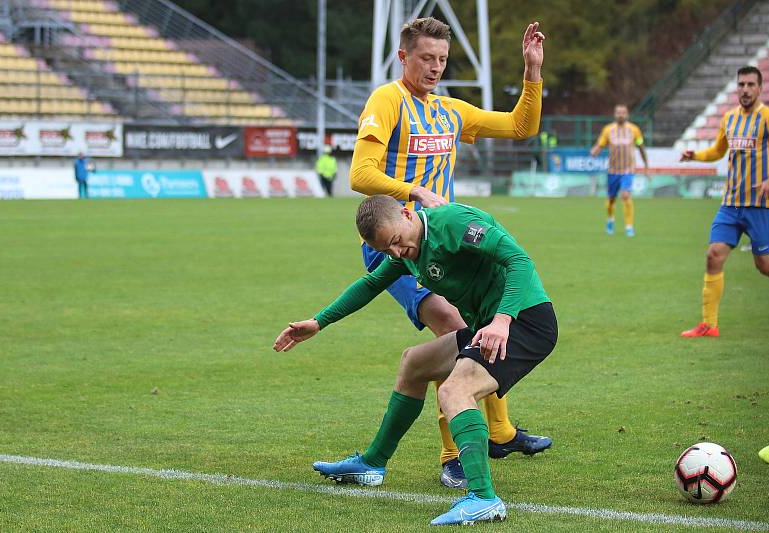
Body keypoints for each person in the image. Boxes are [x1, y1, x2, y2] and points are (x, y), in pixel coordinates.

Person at [348, 17, 551, 488]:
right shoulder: (387, 99)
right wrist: (414, 192)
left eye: (441, 59)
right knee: (458, 332)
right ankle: (455, 455)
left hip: (444, 247)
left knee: (475, 332)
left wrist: (532, 72)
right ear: (403, 57)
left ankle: (497, 431)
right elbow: (360, 174)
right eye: (426, 58)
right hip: (398, 248)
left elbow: (521, 125)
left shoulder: (448, 110)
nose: (435, 67)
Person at [273, 195, 557, 525]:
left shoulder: (454, 223)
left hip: (525, 321)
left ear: (408, 214)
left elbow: (519, 261)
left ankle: (483, 498)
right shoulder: (407, 251)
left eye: (395, 241)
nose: (395, 252)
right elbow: (371, 283)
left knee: (454, 392)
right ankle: (373, 464)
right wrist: (319, 321)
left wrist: (502, 320)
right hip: (488, 326)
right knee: (414, 362)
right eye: (386, 250)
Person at [679, 66, 769, 338]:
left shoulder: (768, 118)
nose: (744, 89)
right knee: (714, 255)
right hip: (731, 204)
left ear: (759, 88)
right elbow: (718, 151)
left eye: (750, 84)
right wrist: (695, 156)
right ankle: (709, 324)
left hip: (760, 204)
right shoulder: (730, 118)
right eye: (741, 84)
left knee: (766, 266)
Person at [590, 105, 650, 237]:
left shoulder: (634, 130)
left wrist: (646, 166)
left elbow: (641, 147)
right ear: (614, 114)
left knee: (626, 195)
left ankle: (629, 226)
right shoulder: (608, 130)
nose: (621, 115)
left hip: (628, 169)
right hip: (613, 170)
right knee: (611, 199)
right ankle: (610, 219)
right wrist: (595, 151)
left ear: (627, 114)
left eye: (623, 112)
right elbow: (600, 144)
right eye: (618, 112)